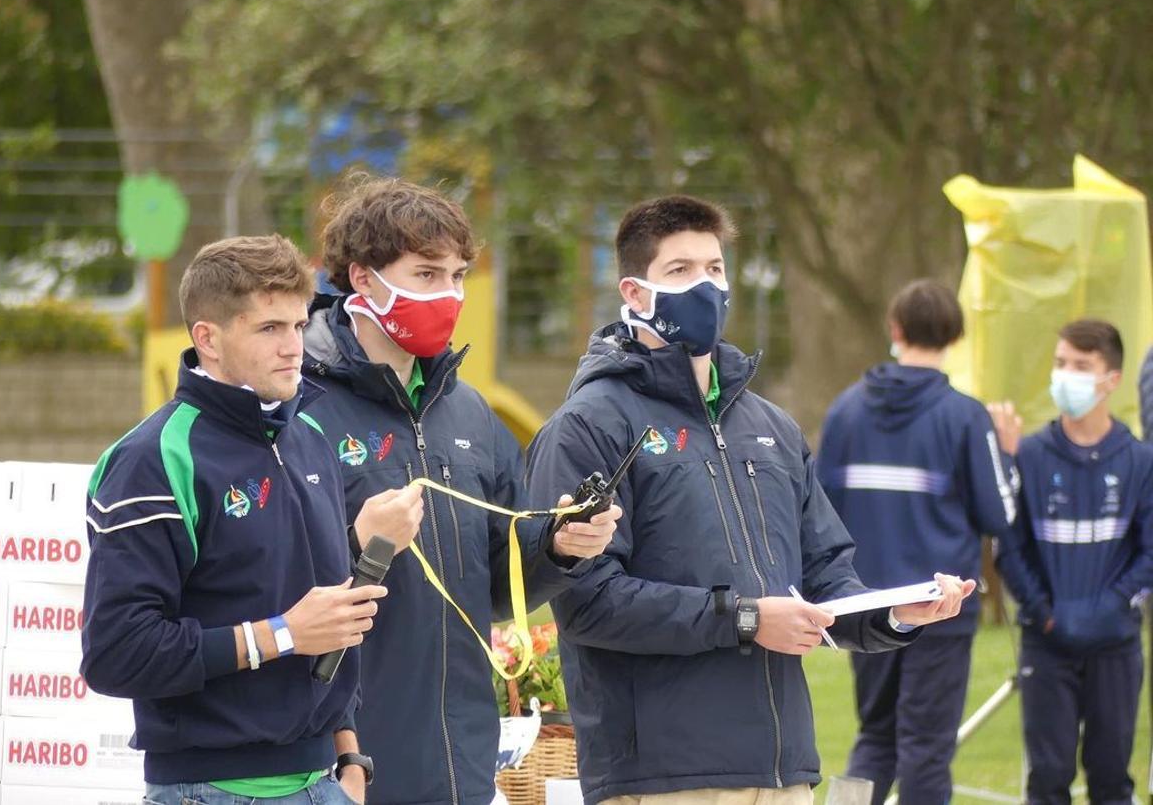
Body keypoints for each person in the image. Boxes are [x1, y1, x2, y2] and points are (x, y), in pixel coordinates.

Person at [525, 195, 974, 805]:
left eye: (714, 268)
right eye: (680, 270)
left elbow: (825, 576)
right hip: (664, 779)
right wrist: (746, 620)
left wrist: (894, 615)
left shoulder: (771, 426)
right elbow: (588, 604)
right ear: (634, 293)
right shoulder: (588, 426)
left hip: (784, 773)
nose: (705, 285)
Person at [300, 176, 620, 805]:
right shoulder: (298, 407)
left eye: (457, 275)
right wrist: (360, 543)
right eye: (426, 274)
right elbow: (267, 586)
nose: (448, 295)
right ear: (363, 278)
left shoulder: (469, 410)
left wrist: (559, 547)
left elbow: (497, 588)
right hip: (347, 765)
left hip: (464, 767)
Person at [81, 234, 421, 805]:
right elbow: (117, 654)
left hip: (325, 782)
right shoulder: (152, 458)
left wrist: (349, 758)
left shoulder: (309, 435)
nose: (294, 347)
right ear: (207, 338)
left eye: (299, 324)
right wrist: (281, 634)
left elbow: (330, 622)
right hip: (209, 788)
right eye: (269, 328)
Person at [816, 278, 1020, 805]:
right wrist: (1007, 456)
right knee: (926, 749)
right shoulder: (966, 416)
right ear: (954, 336)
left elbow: (815, 509)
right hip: (940, 605)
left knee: (874, 737)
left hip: (865, 604)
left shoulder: (845, 411)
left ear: (895, 328)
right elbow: (999, 515)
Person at [996, 319, 1153, 805]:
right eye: (1061, 363)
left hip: (1115, 645)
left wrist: (1111, 606)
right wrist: (1044, 612)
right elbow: (1010, 547)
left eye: (1081, 366)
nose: (1066, 375)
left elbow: (1150, 553)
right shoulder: (1030, 456)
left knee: (1110, 778)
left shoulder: (1139, 461)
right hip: (1046, 643)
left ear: (1111, 380)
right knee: (1048, 778)